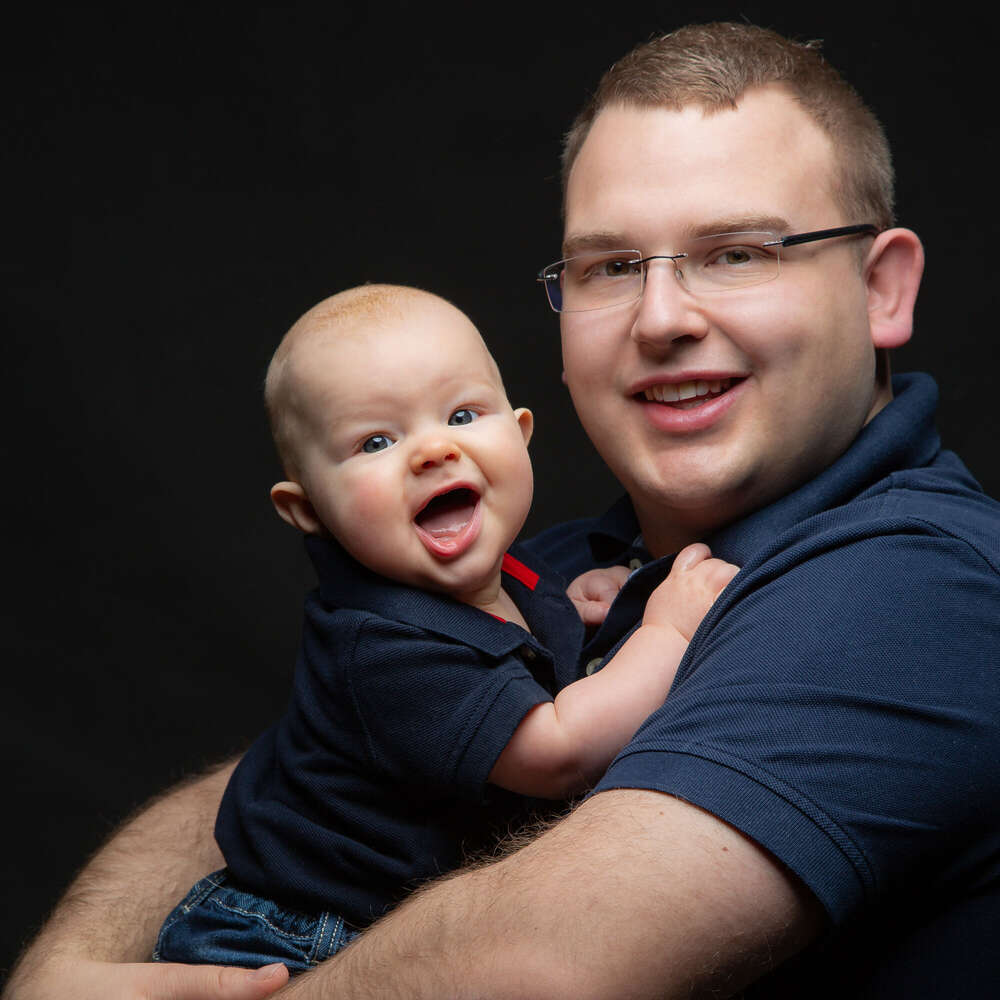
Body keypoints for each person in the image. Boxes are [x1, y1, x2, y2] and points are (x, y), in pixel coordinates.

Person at [6, 20, 1000, 1000]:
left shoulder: (921, 586)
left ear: (879, 289)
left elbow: (540, 963)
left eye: (736, 252)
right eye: (610, 267)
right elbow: (312, 771)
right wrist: (70, 967)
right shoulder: (544, 570)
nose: (660, 319)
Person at [152, 283, 736, 973]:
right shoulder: (385, 646)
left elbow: (521, 628)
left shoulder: (508, 571)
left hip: (386, 917)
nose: (433, 451)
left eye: (462, 414)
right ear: (307, 509)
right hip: (290, 934)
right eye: (376, 441)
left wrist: (573, 605)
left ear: (519, 434)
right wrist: (667, 632)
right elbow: (557, 752)